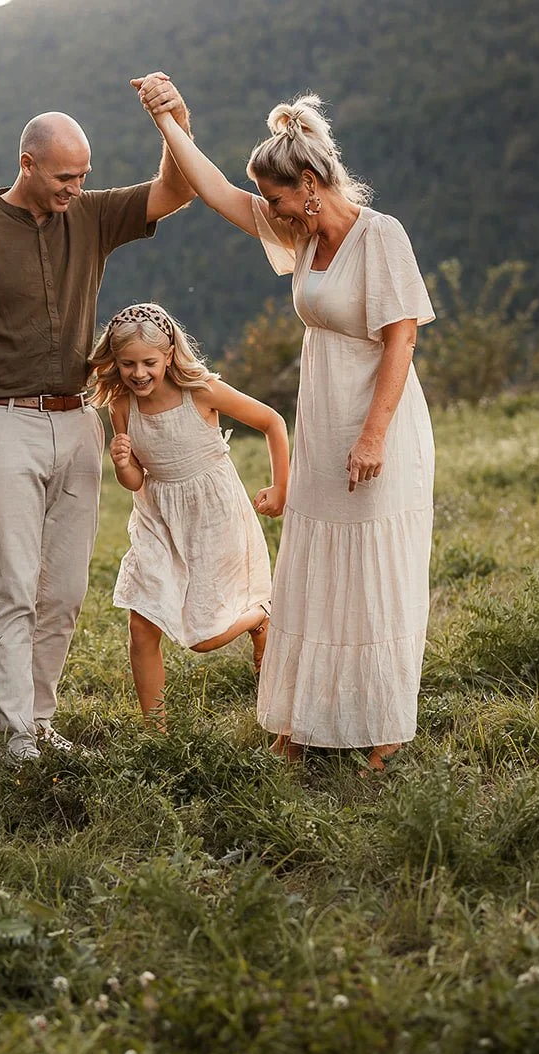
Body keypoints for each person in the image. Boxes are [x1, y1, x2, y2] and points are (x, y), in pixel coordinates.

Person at [134, 76, 436, 773]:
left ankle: (382, 725)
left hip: (379, 424)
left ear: (308, 182)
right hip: (323, 422)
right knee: (312, 568)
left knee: (373, 572)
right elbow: (212, 190)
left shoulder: (381, 237)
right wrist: (167, 123)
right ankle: (306, 719)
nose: (268, 211)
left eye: (273, 197)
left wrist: (372, 436)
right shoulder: (300, 236)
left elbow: (402, 340)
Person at [0, 94, 197, 761]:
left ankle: (40, 724)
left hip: (78, 424)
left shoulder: (93, 215)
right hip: (1, 423)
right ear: (28, 163)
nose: (77, 187)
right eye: (65, 176)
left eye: (84, 174)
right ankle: (15, 737)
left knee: (65, 591)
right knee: (12, 585)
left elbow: (176, 189)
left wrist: (173, 124)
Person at [90, 301, 287, 729]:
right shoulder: (122, 405)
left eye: (148, 363)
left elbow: (272, 422)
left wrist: (281, 488)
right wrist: (123, 462)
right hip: (156, 519)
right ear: (115, 362)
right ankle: (155, 731)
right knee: (142, 626)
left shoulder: (200, 391)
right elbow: (136, 481)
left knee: (202, 638)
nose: (138, 373)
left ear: (168, 356)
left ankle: (263, 614)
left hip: (212, 515)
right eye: (127, 364)